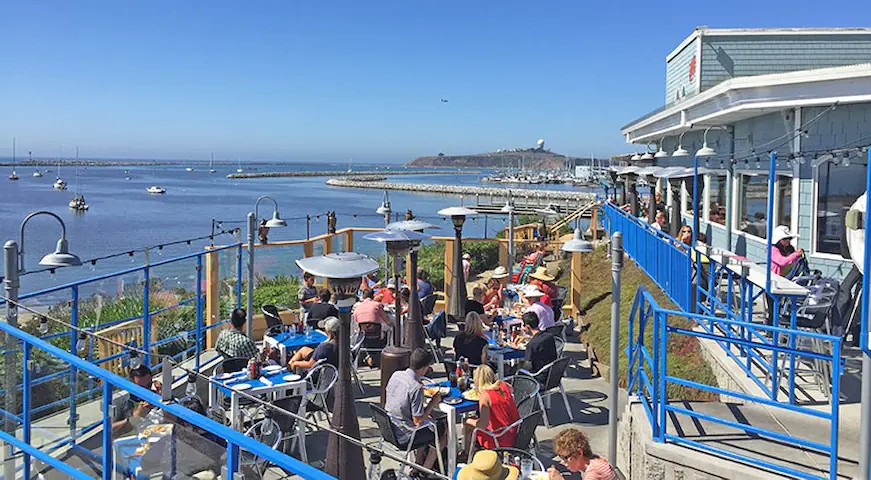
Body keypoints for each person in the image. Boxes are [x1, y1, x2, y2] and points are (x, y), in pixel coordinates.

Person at [384, 348, 447, 472]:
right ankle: (426, 469)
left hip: (390, 426)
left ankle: (417, 463)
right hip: (405, 434)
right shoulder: (415, 387)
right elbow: (418, 421)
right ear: (423, 368)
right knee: (444, 429)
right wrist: (433, 402)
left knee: (428, 420)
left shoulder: (396, 375)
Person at [462, 365, 520, 456]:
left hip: (498, 438)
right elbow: (510, 388)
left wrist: (467, 420)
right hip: (513, 432)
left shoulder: (485, 395)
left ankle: (467, 454)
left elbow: (482, 425)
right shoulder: (503, 386)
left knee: (468, 424)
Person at [112, 364, 163, 435]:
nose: (146, 391)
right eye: (141, 388)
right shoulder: (122, 401)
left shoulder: (156, 395)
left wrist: (163, 399)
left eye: (149, 385)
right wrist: (137, 416)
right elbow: (110, 430)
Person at [548, 428, 616, 480]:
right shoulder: (595, 460)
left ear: (579, 453)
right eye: (560, 457)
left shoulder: (593, 473)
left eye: (565, 458)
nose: (562, 462)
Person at [353, 289, 391, 366]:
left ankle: (368, 357)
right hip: (377, 335)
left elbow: (355, 323)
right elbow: (387, 320)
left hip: (363, 336)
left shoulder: (357, 307)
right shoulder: (377, 305)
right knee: (388, 332)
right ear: (373, 296)